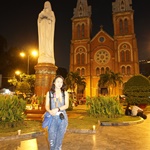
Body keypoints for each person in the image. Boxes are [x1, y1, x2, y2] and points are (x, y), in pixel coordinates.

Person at [45, 75, 69, 150]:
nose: (59, 83)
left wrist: (58, 109)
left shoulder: (65, 93)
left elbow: (66, 105)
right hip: (52, 118)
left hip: (62, 118)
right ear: (54, 83)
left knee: (59, 139)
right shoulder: (49, 93)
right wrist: (49, 111)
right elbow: (47, 105)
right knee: (52, 138)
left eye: (61, 82)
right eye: (58, 81)